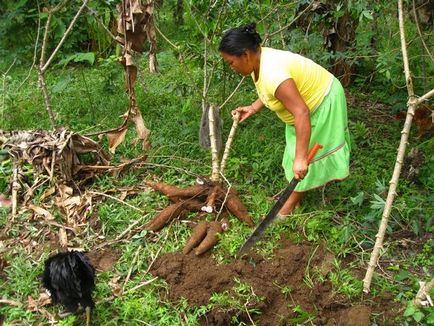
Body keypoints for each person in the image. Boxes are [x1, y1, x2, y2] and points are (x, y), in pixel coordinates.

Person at [219, 22, 350, 217]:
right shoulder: (259, 59)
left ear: (245, 55)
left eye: (231, 62)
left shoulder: (273, 73)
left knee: (303, 158)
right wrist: (253, 107)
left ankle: (289, 206)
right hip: (303, 108)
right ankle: (293, 193)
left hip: (322, 101)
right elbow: (271, 92)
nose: (232, 67)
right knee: (295, 152)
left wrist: (300, 159)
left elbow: (301, 113)